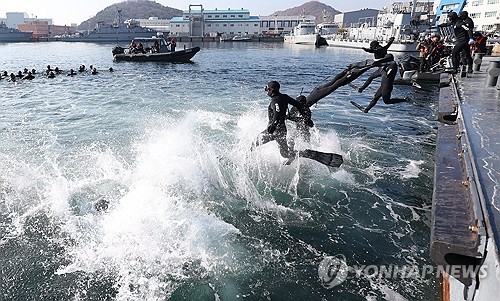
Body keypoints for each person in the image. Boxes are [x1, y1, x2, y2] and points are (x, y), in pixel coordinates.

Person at [252, 81, 313, 160]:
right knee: (285, 154)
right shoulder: (285, 97)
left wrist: (274, 124)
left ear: (272, 90)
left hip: (273, 131)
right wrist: (306, 119)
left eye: (267, 89)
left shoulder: (274, 101)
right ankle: (302, 153)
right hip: (282, 131)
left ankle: (247, 163)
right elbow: (298, 105)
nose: (267, 91)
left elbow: (276, 112)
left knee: (254, 144)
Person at [305, 54, 395, 107]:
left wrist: (346, 77)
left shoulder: (305, 106)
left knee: (335, 85)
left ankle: (351, 71)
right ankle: (349, 70)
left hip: (315, 95)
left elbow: (335, 85)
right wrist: (344, 72)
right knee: (333, 82)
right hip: (314, 91)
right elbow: (335, 80)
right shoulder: (305, 101)